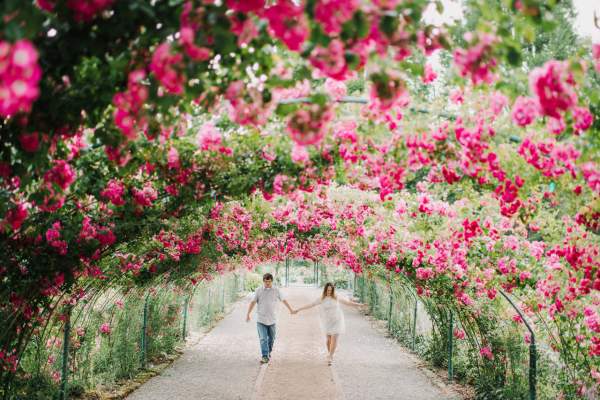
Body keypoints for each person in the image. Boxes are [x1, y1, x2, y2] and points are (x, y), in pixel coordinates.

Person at [294, 282, 362, 365]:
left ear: (333, 290)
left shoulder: (336, 297)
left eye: (331, 290)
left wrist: (360, 305)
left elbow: (348, 303)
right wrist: (298, 309)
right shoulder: (321, 299)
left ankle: (330, 356)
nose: (329, 292)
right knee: (329, 339)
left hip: (337, 320)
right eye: (328, 290)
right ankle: (330, 353)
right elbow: (311, 305)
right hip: (327, 321)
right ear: (325, 290)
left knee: (334, 337)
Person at [246, 273, 295, 364]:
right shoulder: (258, 290)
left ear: (271, 281)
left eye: (269, 281)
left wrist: (290, 309)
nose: (267, 283)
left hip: (272, 319)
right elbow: (253, 302)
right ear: (263, 281)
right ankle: (265, 356)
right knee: (263, 339)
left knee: (272, 339)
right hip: (261, 319)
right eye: (265, 281)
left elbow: (283, 300)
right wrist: (248, 314)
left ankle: (268, 352)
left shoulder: (276, 290)